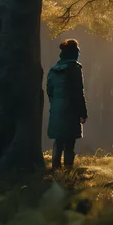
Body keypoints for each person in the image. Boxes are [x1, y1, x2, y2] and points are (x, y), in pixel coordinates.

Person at [47, 39, 88, 170]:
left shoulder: (53, 70)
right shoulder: (75, 69)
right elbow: (78, 92)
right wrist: (83, 113)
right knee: (70, 142)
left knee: (58, 141)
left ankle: (55, 169)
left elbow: (49, 90)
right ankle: (68, 171)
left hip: (57, 109)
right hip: (71, 109)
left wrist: (55, 104)